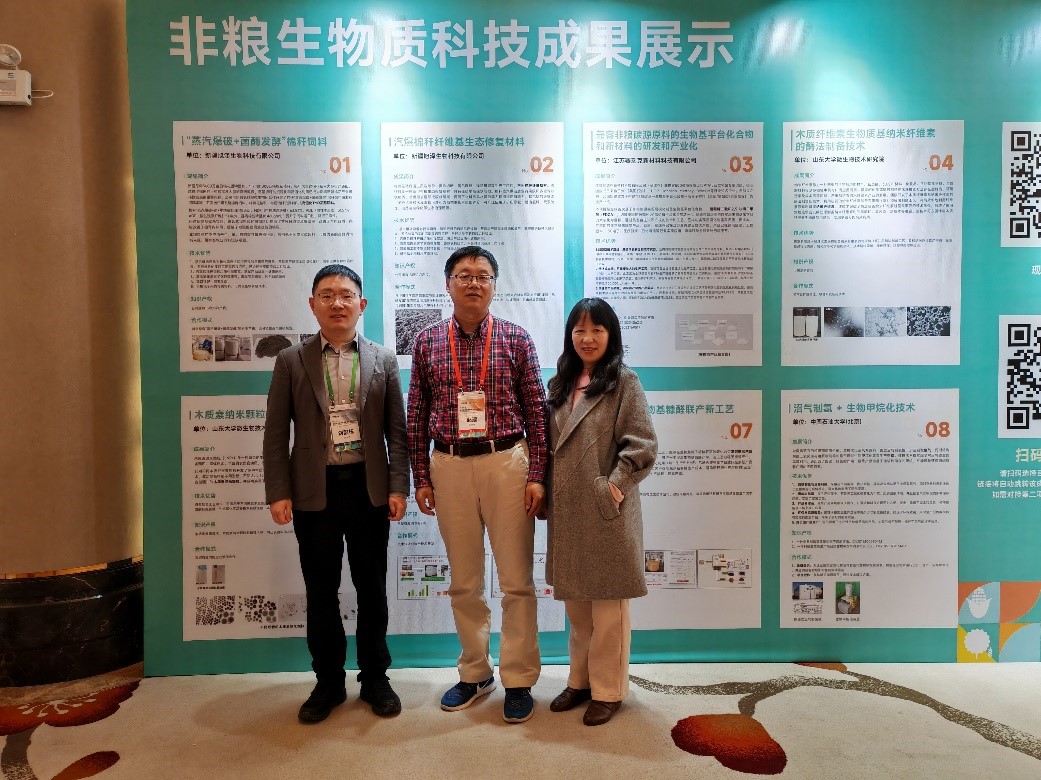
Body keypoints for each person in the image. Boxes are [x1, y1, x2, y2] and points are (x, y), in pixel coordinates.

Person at [407, 245, 548, 724]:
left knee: (516, 581)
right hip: (448, 464)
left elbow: (536, 412)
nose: (473, 283)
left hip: (506, 461)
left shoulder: (516, 338)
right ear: (447, 284)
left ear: (494, 285)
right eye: (463, 275)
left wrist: (537, 475)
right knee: (464, 580)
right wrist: (421, 475)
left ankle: (519, 678)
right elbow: (416, 414)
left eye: (482, 275)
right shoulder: (427, 342)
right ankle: (474, 672)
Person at [263, 264, 409, 724]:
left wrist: (398, 486)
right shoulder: (290, 360)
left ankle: (375, 677)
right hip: (313, 492)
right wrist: (278, 491)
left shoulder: (383, 359)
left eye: (346, 295)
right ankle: (328, 681)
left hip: (368, 489)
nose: (337, 303)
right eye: (326, 295)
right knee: (321, 590)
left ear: (361, 305)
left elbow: (397, 431)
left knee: (372, 588)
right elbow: (275, 433)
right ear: (313, 305)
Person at [543, 298, 657, 726]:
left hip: (607, 511)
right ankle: (580, 681)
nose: (587, 338)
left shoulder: (624, 382)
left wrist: (612, 487)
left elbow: (642, 445)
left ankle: (608, 690)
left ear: (611, 335)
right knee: (577, 609)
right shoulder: (560, 383)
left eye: (597, 330)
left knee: (609, 610)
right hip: (569, 512)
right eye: (579, 330)